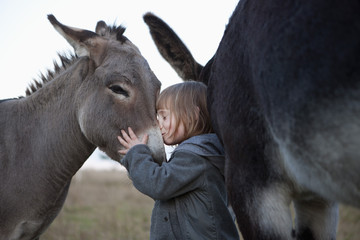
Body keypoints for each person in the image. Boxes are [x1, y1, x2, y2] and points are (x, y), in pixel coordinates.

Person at [117, 81, 240, 240]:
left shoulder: (195, 157)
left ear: (194, 115)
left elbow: (157, 184)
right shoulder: (204, 153)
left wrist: (136, 153)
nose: (158, 124)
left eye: (164, 116)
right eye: (157, 117)